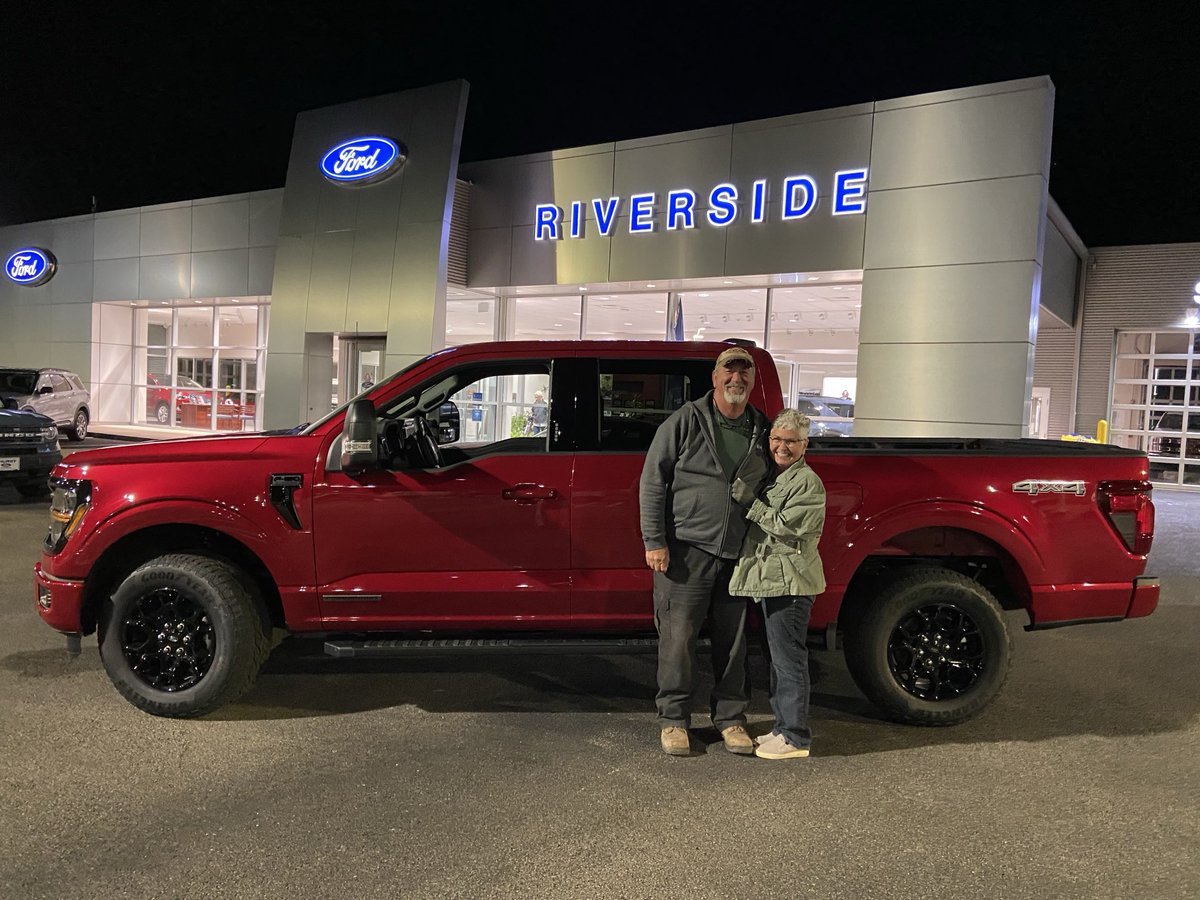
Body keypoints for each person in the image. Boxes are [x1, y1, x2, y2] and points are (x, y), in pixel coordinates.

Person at [639, 346, 769, 756]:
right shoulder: (685, 421)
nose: (736, 379)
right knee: (678, 640)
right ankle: (674, 719)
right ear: (714, 378)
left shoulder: (762, 429)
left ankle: (731, 719)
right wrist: (655, 540)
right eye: (729, 372)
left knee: (733, 643)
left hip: (738, 552)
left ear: (752, 379)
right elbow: (652, 481)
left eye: (743, 373)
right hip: (686, 549)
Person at [728, 408, 826, 760]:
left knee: (789, 661)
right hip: (777, 582)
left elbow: (788, 526)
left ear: (805, 445)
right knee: (779, 660)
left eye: (791, 441)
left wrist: (750, 504)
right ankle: (783, 727)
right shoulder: (780, 476)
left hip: (792, 584)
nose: (782, 447)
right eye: (777, 439)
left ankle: (797, 737)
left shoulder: (807, 482)